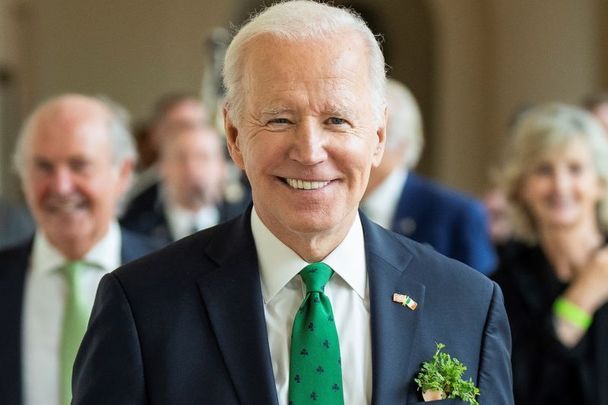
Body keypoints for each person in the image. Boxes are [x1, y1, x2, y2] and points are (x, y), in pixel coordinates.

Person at [73, 2, 513, 404]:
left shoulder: (467, 305)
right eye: (280, 119)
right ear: (233, 135)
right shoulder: (142, 305)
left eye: (336, 120)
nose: (309, 150)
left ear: (378, 137)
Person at [0, 94, 160, 405]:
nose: (60, 186)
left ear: (123, 173)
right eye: (43, 167)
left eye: (79, 165)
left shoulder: (173, 278)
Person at [492, 103, 608, 404]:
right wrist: (580, 300)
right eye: (544, 170)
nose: (561, 186)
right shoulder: (501, 287)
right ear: (521, 187)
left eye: (575, 169)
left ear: (600, 183)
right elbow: (515, 391)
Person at [362, 79, 497, 274]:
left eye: (372, 134)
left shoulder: (457, 215)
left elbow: (482, 299)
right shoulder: (332, 204)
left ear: (402, 144)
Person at [121, 123, 246, 244]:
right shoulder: (135, 226)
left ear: (223, 166)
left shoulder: (247, 221)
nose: (191, 167)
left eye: (202, 157)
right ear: (162, 167)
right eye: (180, 158)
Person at [123, 93, 209, 205]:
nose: (190, 137)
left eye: (197, 126)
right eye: (180, 128)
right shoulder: (133, 196)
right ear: (155, 135)